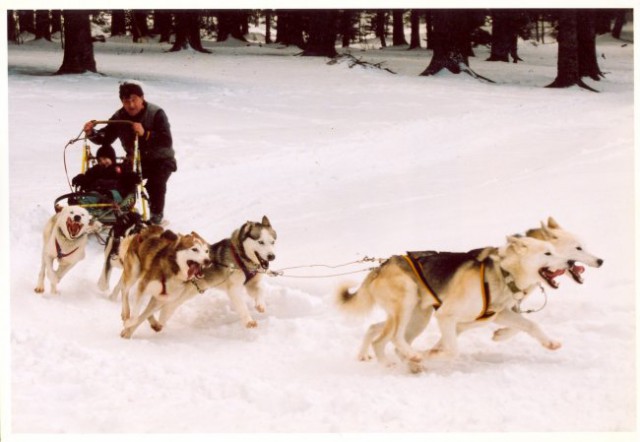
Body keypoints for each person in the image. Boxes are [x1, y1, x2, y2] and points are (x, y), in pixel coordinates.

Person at [83, 82, 176, 225]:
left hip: (161, 160)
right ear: (122, 101)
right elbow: (106, 137)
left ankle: (156, 217)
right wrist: (91, 133)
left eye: (134, 100)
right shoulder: (120, 116)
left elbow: (166, 140)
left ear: (142, 98)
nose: (131, 105)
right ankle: (116, 208)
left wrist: (145, 133)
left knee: (155, 183)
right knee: (118, 176)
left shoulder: (156, 113)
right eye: (127, 101)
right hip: (135, 160)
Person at [71, 143, 140, 199]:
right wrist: (81, 178)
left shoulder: (121, 167)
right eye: (99, 160)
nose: (103, 162)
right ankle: (79, 203)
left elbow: (127, 175)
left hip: (116, 194)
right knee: (93, 195)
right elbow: (88, 178)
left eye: (105, 158)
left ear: (112, 158)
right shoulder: (96, 169)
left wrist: (132, 177)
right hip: (98, 194)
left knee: (111, 193)